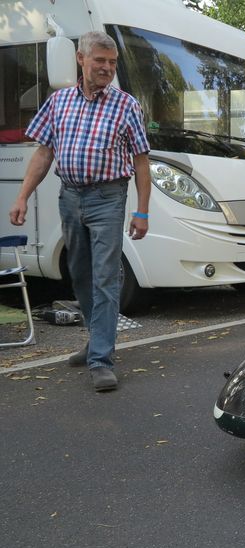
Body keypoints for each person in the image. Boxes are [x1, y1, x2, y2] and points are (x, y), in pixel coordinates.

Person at [8, 31, 151, 392]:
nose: (106, 68)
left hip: (108, 198)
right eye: (100, 60)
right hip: (69, 197)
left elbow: (141, 161)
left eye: (112, 62)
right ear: (81, 60)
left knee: (105, 277)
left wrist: (143, 212)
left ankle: (101, 359)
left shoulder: (126, 105)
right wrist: (23, 195)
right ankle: (94, 340)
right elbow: (44, 153)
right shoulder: (58, 103)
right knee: (80, 275)